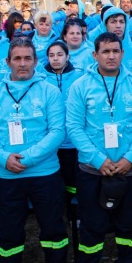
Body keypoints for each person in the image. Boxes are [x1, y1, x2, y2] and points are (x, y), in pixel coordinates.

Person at [0, 37, 69, 263]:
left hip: (43, 173)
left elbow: (57, 131)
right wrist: (3, 158)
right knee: (9, 227)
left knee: (52, 226)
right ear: (8, 62)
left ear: (36, 62)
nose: (22, 63)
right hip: (6, 173)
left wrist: (26, 159)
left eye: (28, 58)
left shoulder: (49, 91)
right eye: (17, 58)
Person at [64, 32, 132, 263]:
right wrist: (98, 159)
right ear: (95, 55)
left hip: (130, 168)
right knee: (91, 224)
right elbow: (74, 127)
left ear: (123, 54)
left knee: (129, 223)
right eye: (106, 51)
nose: (111, 56)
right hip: (93, 169)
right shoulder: (80, 86)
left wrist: (130, 158)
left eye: (116, 51)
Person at [39, 41, 85, 207]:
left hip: (73, 142)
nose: (55, 59)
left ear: (67, 56)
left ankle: (75, 213)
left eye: (59, 55)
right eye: (51, 55)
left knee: (74, 181)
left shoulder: (79, 78)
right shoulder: (40, 78)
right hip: (51, 142)